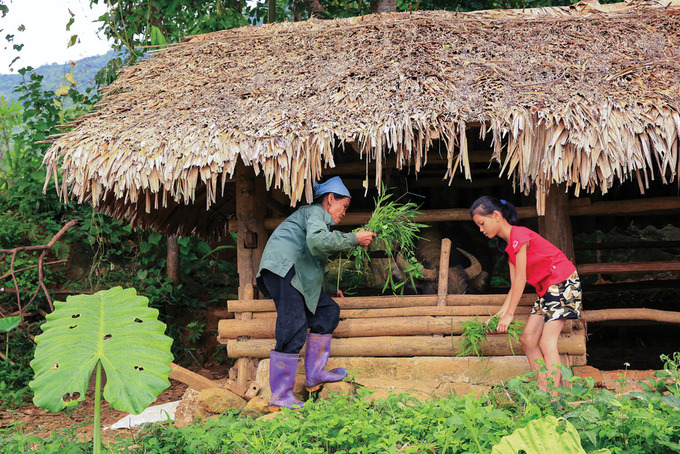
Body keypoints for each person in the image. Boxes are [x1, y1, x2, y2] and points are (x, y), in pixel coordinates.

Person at [256, 176, 376, 411]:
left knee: (328, 311)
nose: (344, 213)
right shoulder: (314, 212)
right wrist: (353, 238)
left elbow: (311, 263)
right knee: (293, 325)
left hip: (294, 272)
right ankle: (280, 395)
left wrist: (331, 289)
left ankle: (315, 374)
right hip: (282, 268)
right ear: (330, 199)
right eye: (344, 206)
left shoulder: (319, 223)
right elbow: (317, 243)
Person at [469, 196, 582, 392]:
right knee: (528, 340)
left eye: (482, 223)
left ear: (496, 215)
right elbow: (514, 286)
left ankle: (553, 398)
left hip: (562, 282)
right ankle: (542, 391)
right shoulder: (508, 247)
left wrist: (510, 315)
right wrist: (498, 316)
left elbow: (521, 279)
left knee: (547, 343)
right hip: (547, 289)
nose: (481, 229)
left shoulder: (519, 236)